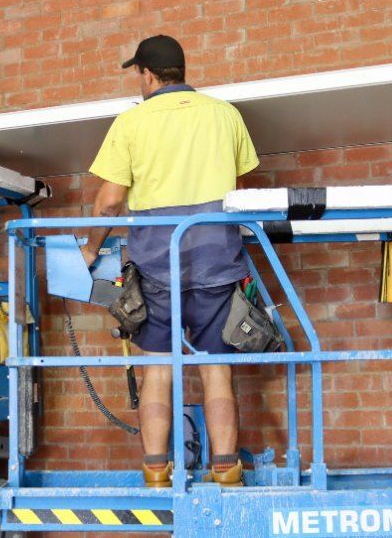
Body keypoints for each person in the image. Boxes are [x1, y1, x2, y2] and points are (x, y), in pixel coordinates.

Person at [80, 35, 258, 487]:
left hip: (158, 264)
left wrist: (90, 247)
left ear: (148, 74)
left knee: (156, 370)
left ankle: (157, 470)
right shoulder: (225, 114)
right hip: (218, 260)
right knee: (217, 370)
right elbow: (240, 188)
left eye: (137, 74)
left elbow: (109, 202)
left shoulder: (132, 122)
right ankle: (226, 469)